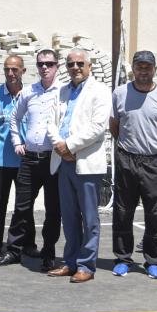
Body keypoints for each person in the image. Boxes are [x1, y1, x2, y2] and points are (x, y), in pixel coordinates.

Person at [108, 50, 157, 280]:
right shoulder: (120, 93)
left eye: (147, 67)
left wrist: (151, 147)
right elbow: (114, 126)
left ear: (154, 69)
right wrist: (129, 148)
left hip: (153, 161)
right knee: (123, 211)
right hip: (127, 158)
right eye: (139, 67)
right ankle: (123, 258)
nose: (143, 71)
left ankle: (153, 260)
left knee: (155, 214)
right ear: (133, 69)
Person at [0, 49, 62, 271]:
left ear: (57, 66)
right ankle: (14, 251)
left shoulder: (63, 91)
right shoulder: (29, 91)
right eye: (41, 64)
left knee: (53, 210)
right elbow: (15, 117)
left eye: (49, 64)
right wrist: (17, 142)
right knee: (21, 207)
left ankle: (48, 254)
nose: (45, 67)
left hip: (53, 160)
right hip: (30, 159)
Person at [47, 50, 109, 284]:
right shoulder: (61, 91)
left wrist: (70, 146)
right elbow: (51, 123)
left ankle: (86, 265)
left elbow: (98, 127)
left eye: (80, 63)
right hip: (63, 161)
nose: (75, 67)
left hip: (86, 163)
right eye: (71, 64)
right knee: (69, 216)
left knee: (89, 218)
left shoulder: (100, 91)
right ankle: (70, 261)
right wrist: (60, 146)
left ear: (89, 66)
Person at [0, 55, 24, 254]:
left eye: (15, 69)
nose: (10, 73)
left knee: (23, 205)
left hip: (24, 160)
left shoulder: (30, 94)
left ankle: (26, 242)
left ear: (23, 71)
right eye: (7, 69)